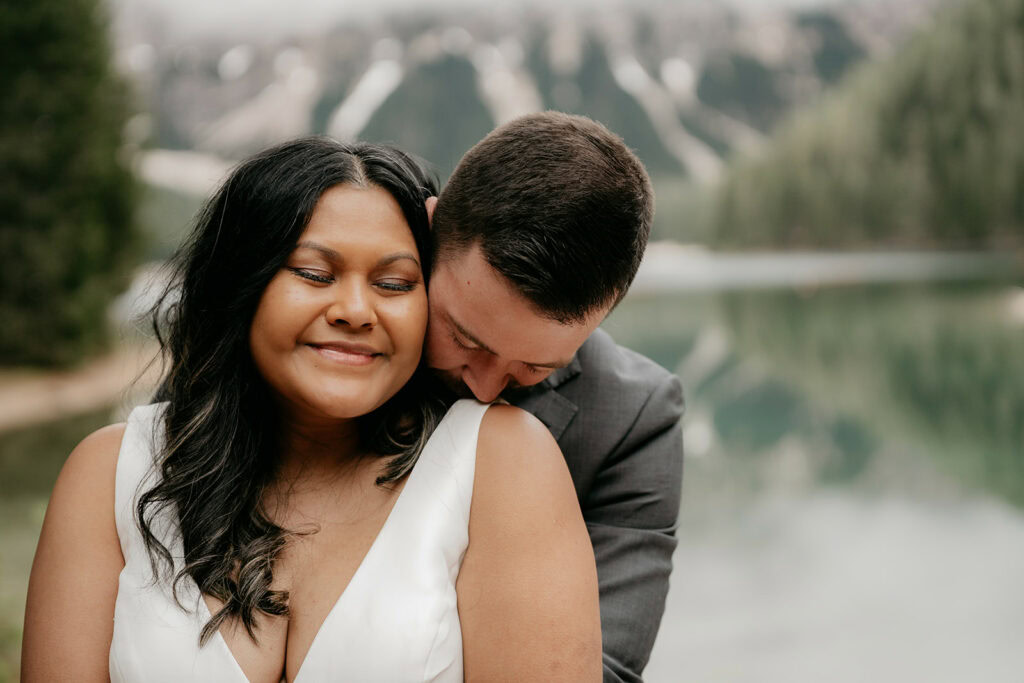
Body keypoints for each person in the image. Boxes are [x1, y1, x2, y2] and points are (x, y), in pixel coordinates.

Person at [22, 139, 602, 681]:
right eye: (314, 274)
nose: (355, 310)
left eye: (395, 284)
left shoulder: (501, 462)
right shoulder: (110, 474)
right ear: (241, 287)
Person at [423, 111, 684, 683]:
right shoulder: (337, 350)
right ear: (431, 231)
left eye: (535, 367)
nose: (485, 389)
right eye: (464, 339)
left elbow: (605, 668)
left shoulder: (633, 419)